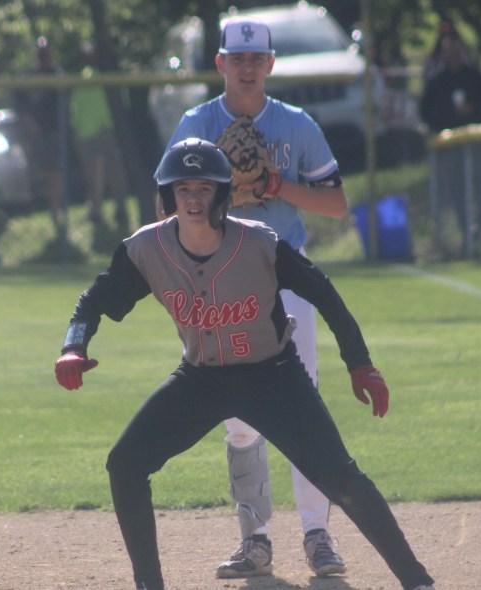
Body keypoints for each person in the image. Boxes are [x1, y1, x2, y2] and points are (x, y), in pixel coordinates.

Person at [54, 138, 437, 590]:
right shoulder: (146, 249)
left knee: (341, 476)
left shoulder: (258, 242)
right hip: (200, 379)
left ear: (221, 194)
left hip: (272, 376)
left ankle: (417, 581)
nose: (193, 199)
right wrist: (73, 346)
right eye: (183, 190)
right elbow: (91, 302)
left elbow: (325, 294)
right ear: (167, 196)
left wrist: (360, 364)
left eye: (203, 188)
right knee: (125, 463)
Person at [158, 17, 350, 578]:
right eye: (235, 58)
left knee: (304, 406)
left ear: (269, 64)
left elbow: (337, 203)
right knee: (239, 417)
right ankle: (255, 541)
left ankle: (318, 536)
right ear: (220, 63)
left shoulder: (296, 124)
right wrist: (211, 197)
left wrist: (273, 187)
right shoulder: (198, 123)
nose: (246, 67)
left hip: (286, 275)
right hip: (221, 281)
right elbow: (163, 207)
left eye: (255, 58)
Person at [419, 28, 481, 252]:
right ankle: (465, 232)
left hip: (475, 143)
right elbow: (425, 112)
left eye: (456, 50)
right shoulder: (437, 80)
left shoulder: (473, 75)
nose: (453, 55)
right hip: (450, 147)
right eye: (448, 51)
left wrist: (472, 109)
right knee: (457, 189)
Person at [71, 42, 129, 229]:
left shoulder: (106, 76)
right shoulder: (85, 76)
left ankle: (120, 208)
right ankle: (96, 210)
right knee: (94, 175)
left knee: (114, 171)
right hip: (88, 131)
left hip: (103, 129)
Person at [14, 37, 67, 235]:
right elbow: (20, 105)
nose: (45, 58)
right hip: (35, 135)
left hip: (53, 133)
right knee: (41, 173)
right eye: (41, 54)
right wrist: (29, 123)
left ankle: (56, 210)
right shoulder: (29, 77)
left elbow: (62, 100)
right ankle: (48, 206)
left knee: (55, 173)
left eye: (48, 54)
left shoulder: (57, 74)